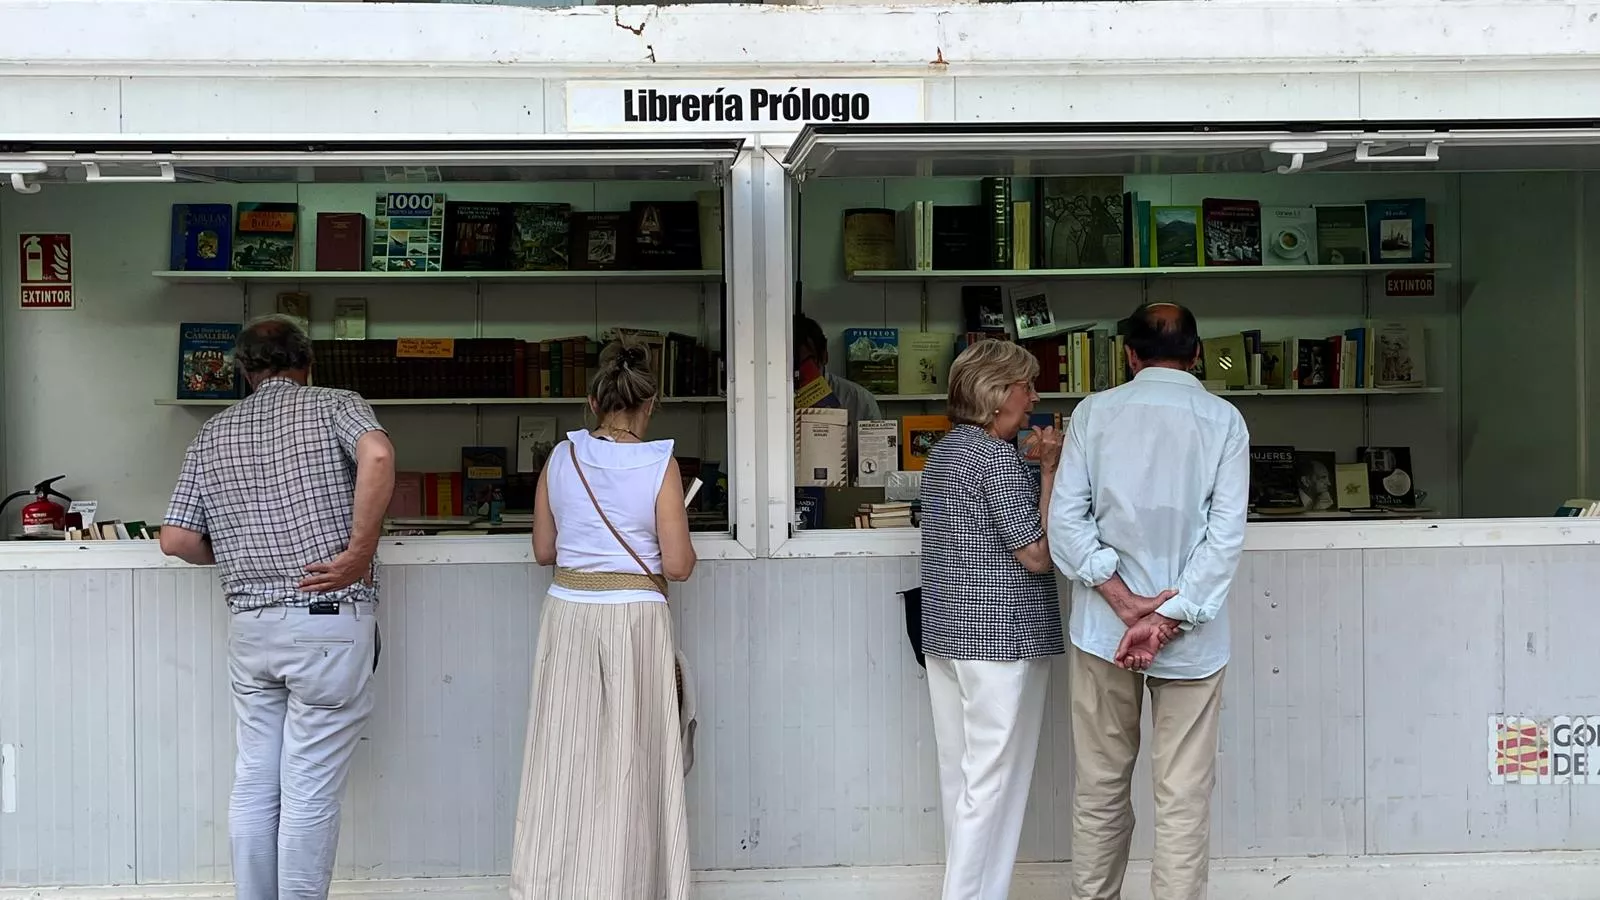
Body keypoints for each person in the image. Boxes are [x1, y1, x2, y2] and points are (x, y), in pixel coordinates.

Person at [158, 316, 396, 900]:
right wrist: (358, 552)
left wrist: (245, 552)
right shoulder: (337, 404)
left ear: (244, 370)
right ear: (307, 362)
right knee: (308, 786)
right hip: (326, 621)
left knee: (255, 781)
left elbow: (177, 540)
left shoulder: (213, 432)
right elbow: (380, 456)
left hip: (252, 631)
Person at [1048, 301, 1249, 900]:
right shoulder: (1224, 421)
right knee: (1183, 795)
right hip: (1194, 639)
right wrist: (1165, 615)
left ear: (1129, 355)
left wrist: (1120, 598)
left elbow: (1066, 523)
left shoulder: (1094, 414)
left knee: (1100, 786)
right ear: (1196, 356)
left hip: (1102, 630)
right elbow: (1226, 536)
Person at [512, 337, 697, 900]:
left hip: (568, 614)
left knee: (562, 757)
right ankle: (629, 882)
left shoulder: (560, 458)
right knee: (633, 758)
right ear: (651, 402)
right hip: (634, 622)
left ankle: (550, 883)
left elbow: (544, 550)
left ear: (593, 402)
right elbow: (679, 565)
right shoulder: (660, 465)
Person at [916, 339, 1063, 900]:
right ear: (999, 394)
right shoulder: (995, 457)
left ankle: (980, 892)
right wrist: (1048, 469)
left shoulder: (948, 450)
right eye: (1027, 386)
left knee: (963, 778)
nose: (1035, 398)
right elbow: (1038, 553)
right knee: (993, 779)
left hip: (948, 630)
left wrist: (1029, 467)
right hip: (1002, 634)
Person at [794, 312, 883, 469]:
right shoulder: (768, 400)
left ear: (824, 355)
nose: (799, 374)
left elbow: (878, 464)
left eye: (807, 363)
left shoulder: (860, 400)